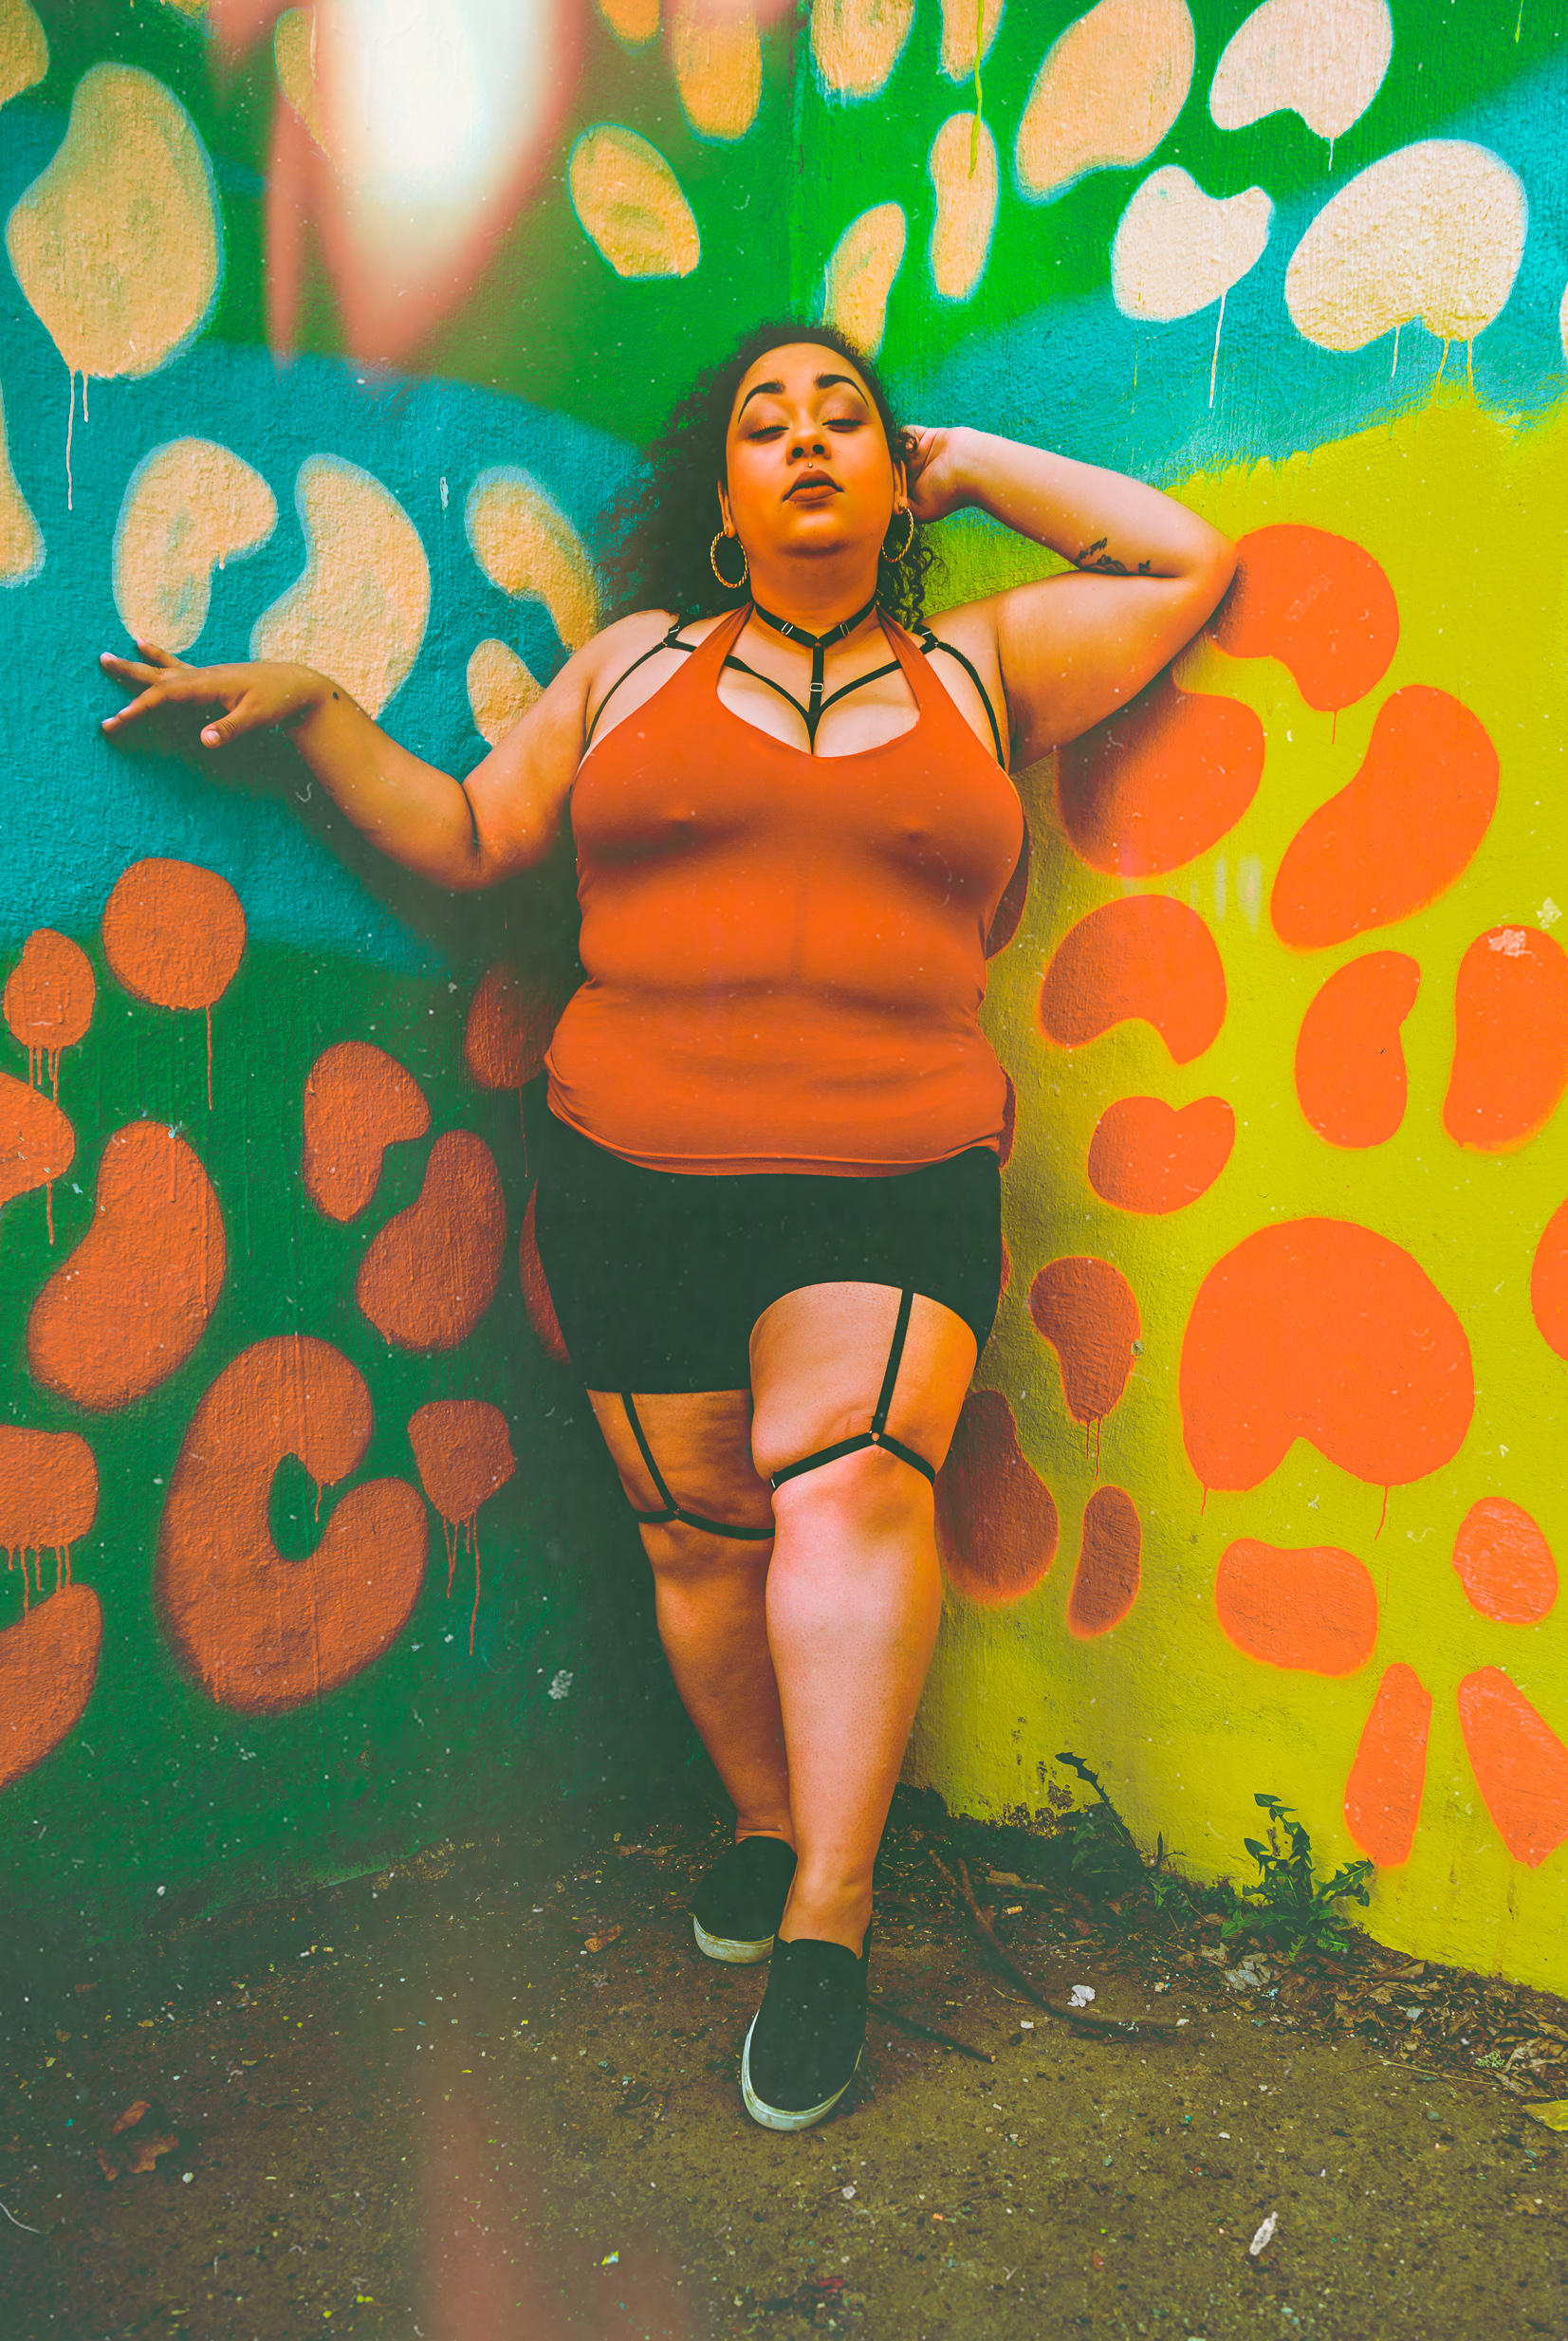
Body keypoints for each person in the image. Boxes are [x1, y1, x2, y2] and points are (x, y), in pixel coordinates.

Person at [100, 321, 1234, 2131]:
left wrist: (965, 465)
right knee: (702, 1543)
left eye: (843, 418)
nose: (807, 439)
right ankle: (767, 1821)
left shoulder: (985, 667)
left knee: (851, 1489)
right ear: (722, 495)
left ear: (889, 483)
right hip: (630, 1174)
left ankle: (828, 1923)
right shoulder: (630, 666)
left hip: (895, 1168)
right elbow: (472, 837)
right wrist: (314, 714)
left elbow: (1185, 564)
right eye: (765, 422)